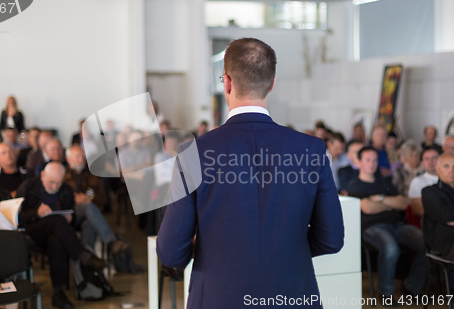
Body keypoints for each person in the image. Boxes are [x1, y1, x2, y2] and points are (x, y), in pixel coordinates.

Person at [157, 38, 344, 309]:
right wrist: (285, 251)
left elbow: (171, 251)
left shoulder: (194, 153)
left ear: (228, 83)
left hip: (217, 297)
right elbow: (332, 238)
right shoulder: (311, 148)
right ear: (272, 83)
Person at [16, 162, 106, 309]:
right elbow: (16, 217)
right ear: (43, 175)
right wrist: (35, 213)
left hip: (56, 234)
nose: (54, 187)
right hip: (31, 232)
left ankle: (58, 293)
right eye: (51, 182)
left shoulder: (66, 190)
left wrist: (71, 219)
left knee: (56, 241)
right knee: (56, 221)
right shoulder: (28, 187)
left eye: (58, 183)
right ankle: (83, 256)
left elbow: (71, 216)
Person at [347, 147, 428, 304]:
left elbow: (403, 203)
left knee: (426, 243)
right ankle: (386, 293)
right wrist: (390, 204)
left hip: (396, 224)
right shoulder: (355, 185)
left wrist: (380, 199)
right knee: (390, 248)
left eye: (375, 160)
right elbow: (367, 208)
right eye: (368, 160)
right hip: (372, 228)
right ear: (359, 162)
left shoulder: (385, 182)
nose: (372, 164)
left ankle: (411, 286)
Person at [63, 145, 124, 257]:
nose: (81, 160)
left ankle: (87, 259)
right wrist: (74, 199)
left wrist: (88, 198)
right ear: (68, 159)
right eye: (77, 157)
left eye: (82, 156)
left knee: (89, 224)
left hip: (89, 216)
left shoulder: (91, 174)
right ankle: (110, 241)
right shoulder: (63, 175)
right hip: (70, 213)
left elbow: (103, 198)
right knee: (87, 207)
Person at [422, 152, 454, 261]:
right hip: (445, 245)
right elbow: (449, 217)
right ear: (438, 169)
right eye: (446, 166)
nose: (451, 171)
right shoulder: (429, 192)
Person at [408, 147, 440, 218]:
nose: (430, 161)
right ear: (422, 163)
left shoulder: (448, 179)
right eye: (426, 159)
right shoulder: (417, 181)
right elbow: (419, 211)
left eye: (434, 158)